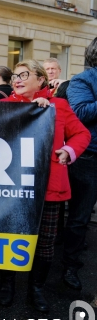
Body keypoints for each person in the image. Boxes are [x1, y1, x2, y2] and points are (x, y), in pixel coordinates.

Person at [0, 59, 90, 312]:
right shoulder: (3, 107)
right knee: (11, 237)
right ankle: (7, 284)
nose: (17, 79)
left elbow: (82, 134)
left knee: (46, 242)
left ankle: (36, 288)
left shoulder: (58, 106)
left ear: (41, 80)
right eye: (15, 75)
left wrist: (68, 151)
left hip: (50, 186)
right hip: (12, 186)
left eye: (24, 75)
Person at [62, 38, 97, 292]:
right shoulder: (82, 80)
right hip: (89, 160)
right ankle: (69, 266)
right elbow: (81, 113)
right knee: (79, 219)